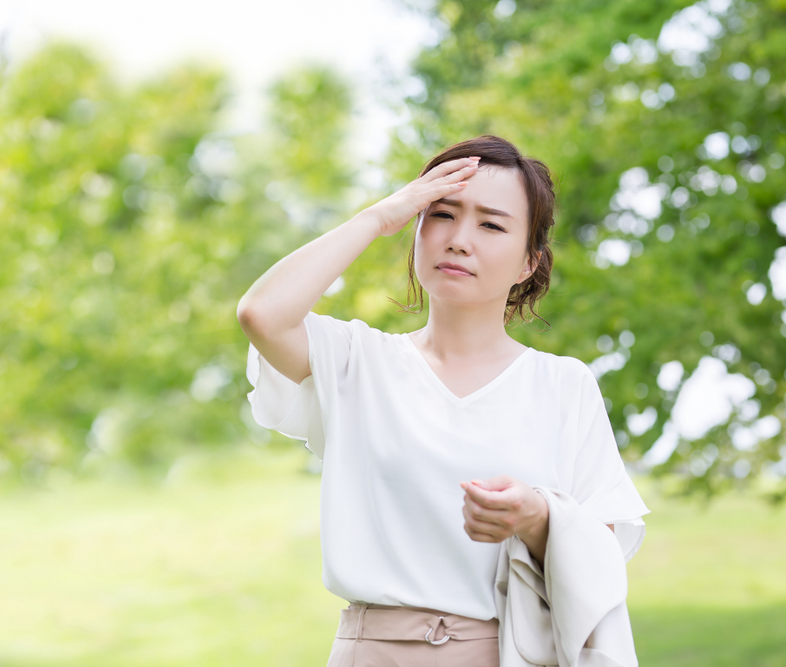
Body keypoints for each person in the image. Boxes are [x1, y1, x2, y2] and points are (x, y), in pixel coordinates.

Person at [236, 134, 649, 666]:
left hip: (509, 653)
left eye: (491, 224)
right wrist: (380, 217)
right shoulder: (357, 361)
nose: (458, 239)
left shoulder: (562, 385)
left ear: (529, 262)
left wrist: (534, 515)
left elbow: (604, 550)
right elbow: (262, 314)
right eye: (442, 214)